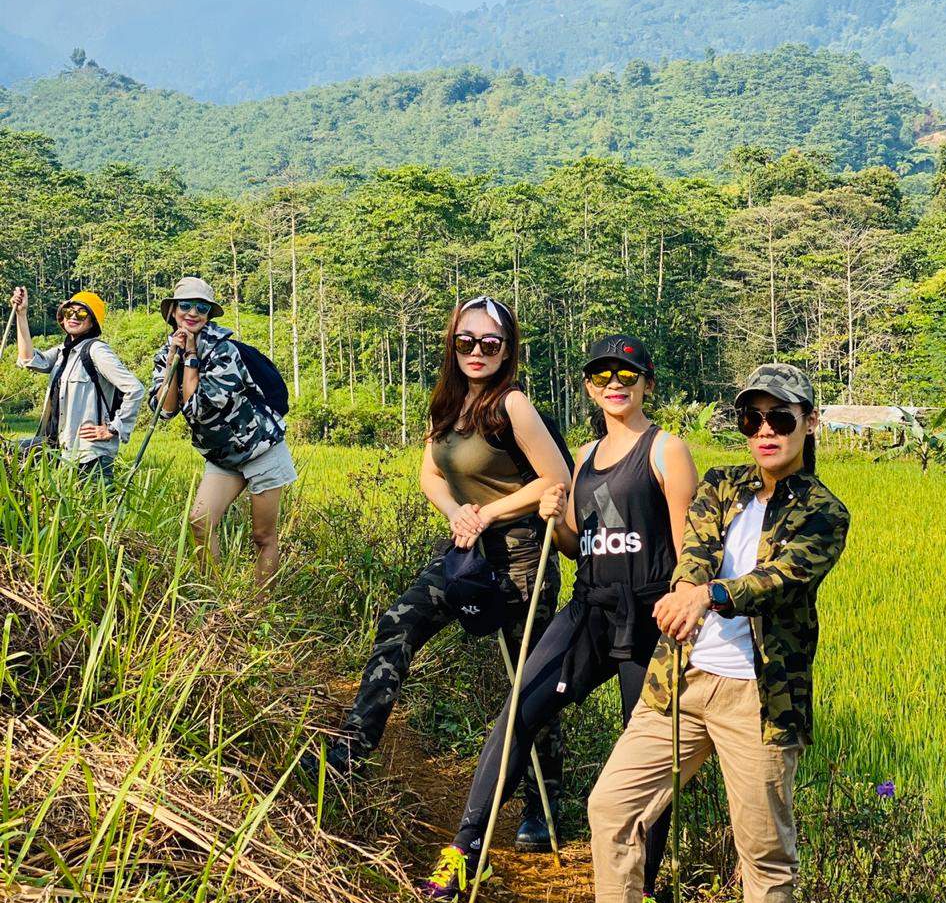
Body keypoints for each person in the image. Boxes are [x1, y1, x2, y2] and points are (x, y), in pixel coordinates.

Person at [564, 363, 850, 903]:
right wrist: (692, 588)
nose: (766, 431)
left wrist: (709, 595)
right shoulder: (722, 485)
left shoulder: (825, 511)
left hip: (759, 695)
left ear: (810, 422)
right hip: (682, 679)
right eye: (753, 418)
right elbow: (693, 551)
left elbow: (782, 579)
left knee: (763, 846)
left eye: (782, 418)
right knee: (611, 807)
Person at [422, 334, 698, 903]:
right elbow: (575, 545)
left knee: (645, 750)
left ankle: (644, 889)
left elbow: (687, 545)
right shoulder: (585, 456)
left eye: (627, 375)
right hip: (590, 608)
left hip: (650, 616)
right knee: (520, 708)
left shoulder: (665, 449)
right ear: (589, 387)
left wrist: (687, 604)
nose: (614, 385)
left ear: (647, 382)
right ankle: (465, 848)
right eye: (602, 377)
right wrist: (555, 515)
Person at [320, 295, 571, 854]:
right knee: (399, 623)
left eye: (489, 344)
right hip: (466, 548)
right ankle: (354, 748)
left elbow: (555, 479)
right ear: (452, 345)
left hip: (523, 554)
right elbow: (429, 472)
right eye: (466, 342)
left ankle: (542, 803)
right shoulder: (448, 402)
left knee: (530, 680)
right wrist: (456, 511)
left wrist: (488, 512)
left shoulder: (514, 406)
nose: (476, 352)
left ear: (507, 351)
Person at [148, 276, 297, 587]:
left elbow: (200, 408)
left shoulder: (224, 351)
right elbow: (164, 409)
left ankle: (260, 607)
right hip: (222, 455)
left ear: (209, 313)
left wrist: (190, 359)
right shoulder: (166, 353)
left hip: (260, 448)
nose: (192, 313)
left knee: (262, 535)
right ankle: (215, 597)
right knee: (199, 522)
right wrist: (174, 359)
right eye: (185, 305)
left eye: (200, 307)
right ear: (173, 311)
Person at [10, 285, 144, 486]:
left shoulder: (97, 351)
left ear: (92, 322)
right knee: (11, 453)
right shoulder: (63, 351)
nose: (73, 316)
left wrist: (114, 429)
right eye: (68, 312)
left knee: (98, 511)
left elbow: (135, 388)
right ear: (62, 318)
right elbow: (28, 359)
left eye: (81, 313)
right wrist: (21, 314)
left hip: (89, 454)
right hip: (56, 446)